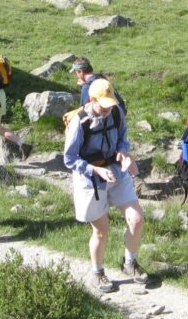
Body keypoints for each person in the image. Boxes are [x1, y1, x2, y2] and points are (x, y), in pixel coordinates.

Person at [63, 78, 147, 293]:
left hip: (116, 171)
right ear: (92, 100)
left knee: (136, 219)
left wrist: (122, 152)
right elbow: (70, 159)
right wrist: (96, 170)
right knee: (102, 230)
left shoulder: (117, 112)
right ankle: (98, 272)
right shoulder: (79, 122)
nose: (109, 109)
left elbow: (123, 140)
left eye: (111, 103)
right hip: (90, 178)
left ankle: (130, 262)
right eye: (104, 105)